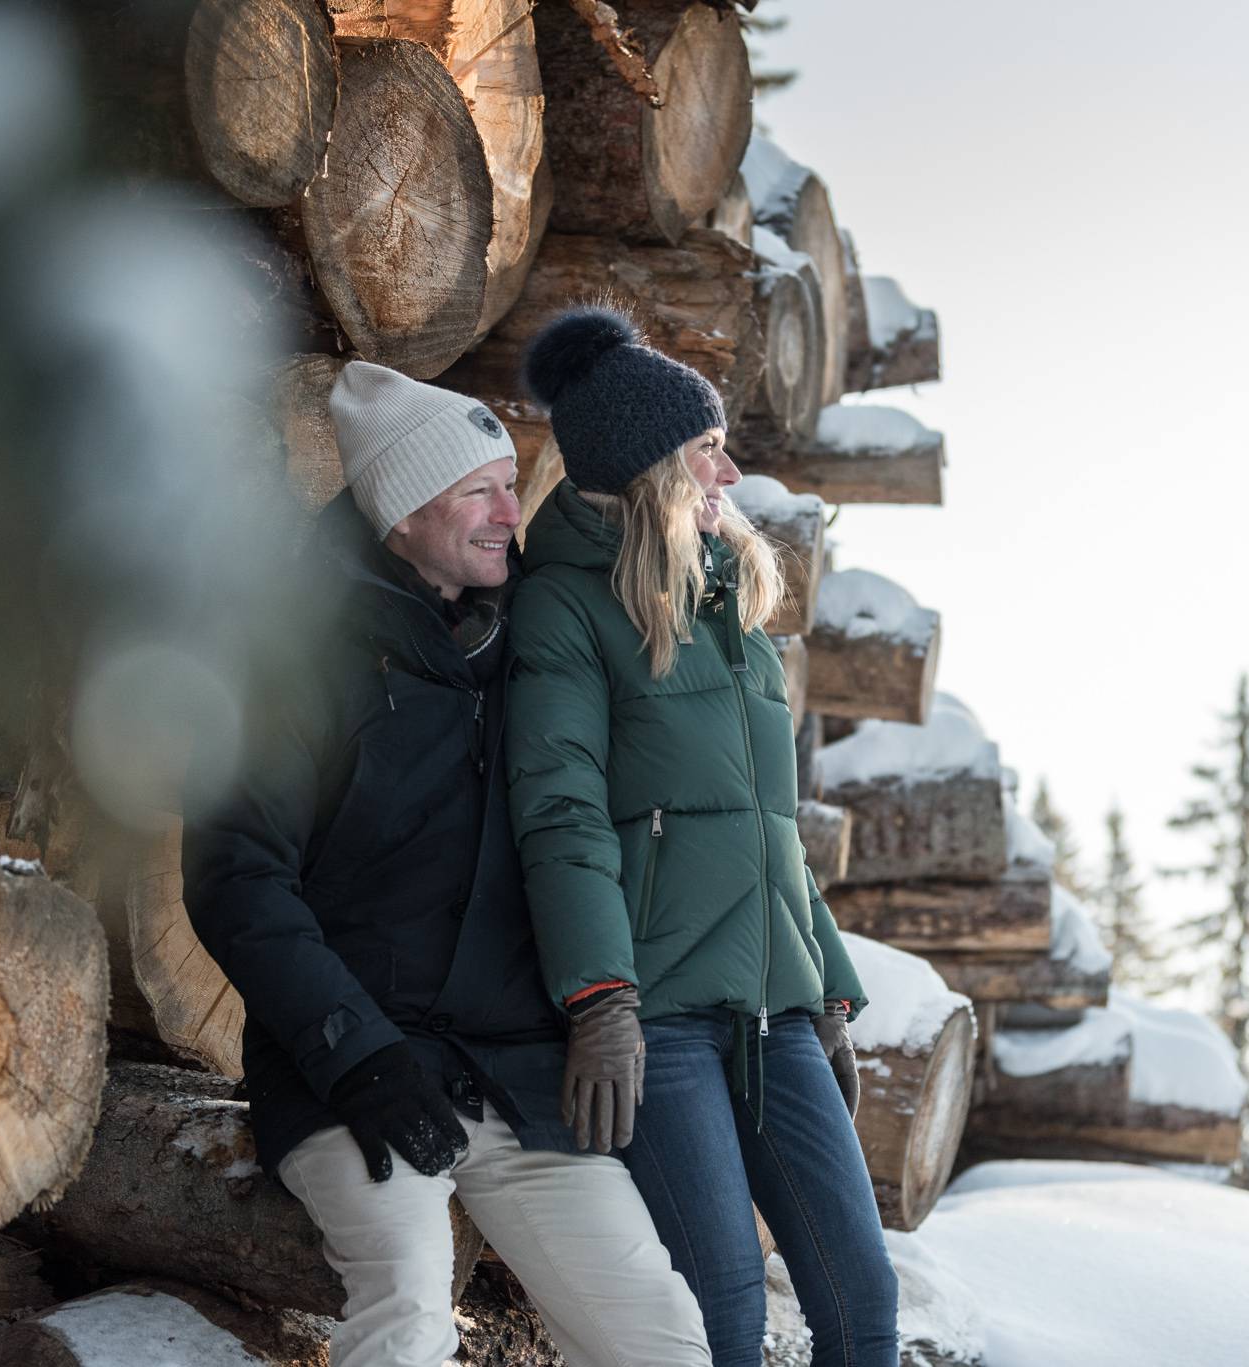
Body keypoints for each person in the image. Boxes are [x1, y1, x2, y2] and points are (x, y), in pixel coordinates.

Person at [182, 360, 711, 1367]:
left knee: (658, 1331)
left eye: (511, 485)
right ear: (399, 512)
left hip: (515, 1073)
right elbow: (235, 875)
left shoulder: (523, 640)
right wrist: (357, 1054)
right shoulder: (289, 656)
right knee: (410, 1308)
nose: (510, 512)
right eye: (478, 490)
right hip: (354, 1069)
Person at [505, 309, 902, 1367]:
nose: (728, 468)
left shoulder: (730, 610)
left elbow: (772, 832)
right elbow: (559, 813)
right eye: (702, 448)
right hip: (659, 1022)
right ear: (644, 470)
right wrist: (600, 1000)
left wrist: (824, 986)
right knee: (719, 1314)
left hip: (774, 1014)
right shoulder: (562, 610)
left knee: (861, 1305)